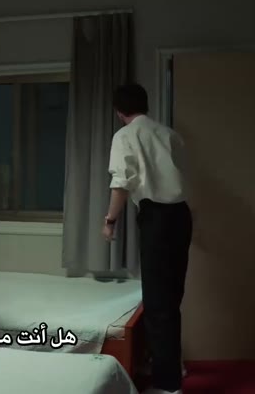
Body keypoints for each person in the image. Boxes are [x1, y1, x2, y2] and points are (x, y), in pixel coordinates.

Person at [102, 83, 192, 394]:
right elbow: (180, 174)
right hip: (181, 215)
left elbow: (121, 183)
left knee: (157, 302)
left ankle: (168, 385)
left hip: (157, 218)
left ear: (119, 112)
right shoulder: (169, 135)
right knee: (171, 298)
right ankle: (170, 364)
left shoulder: (125, 136)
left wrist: (109, 221)